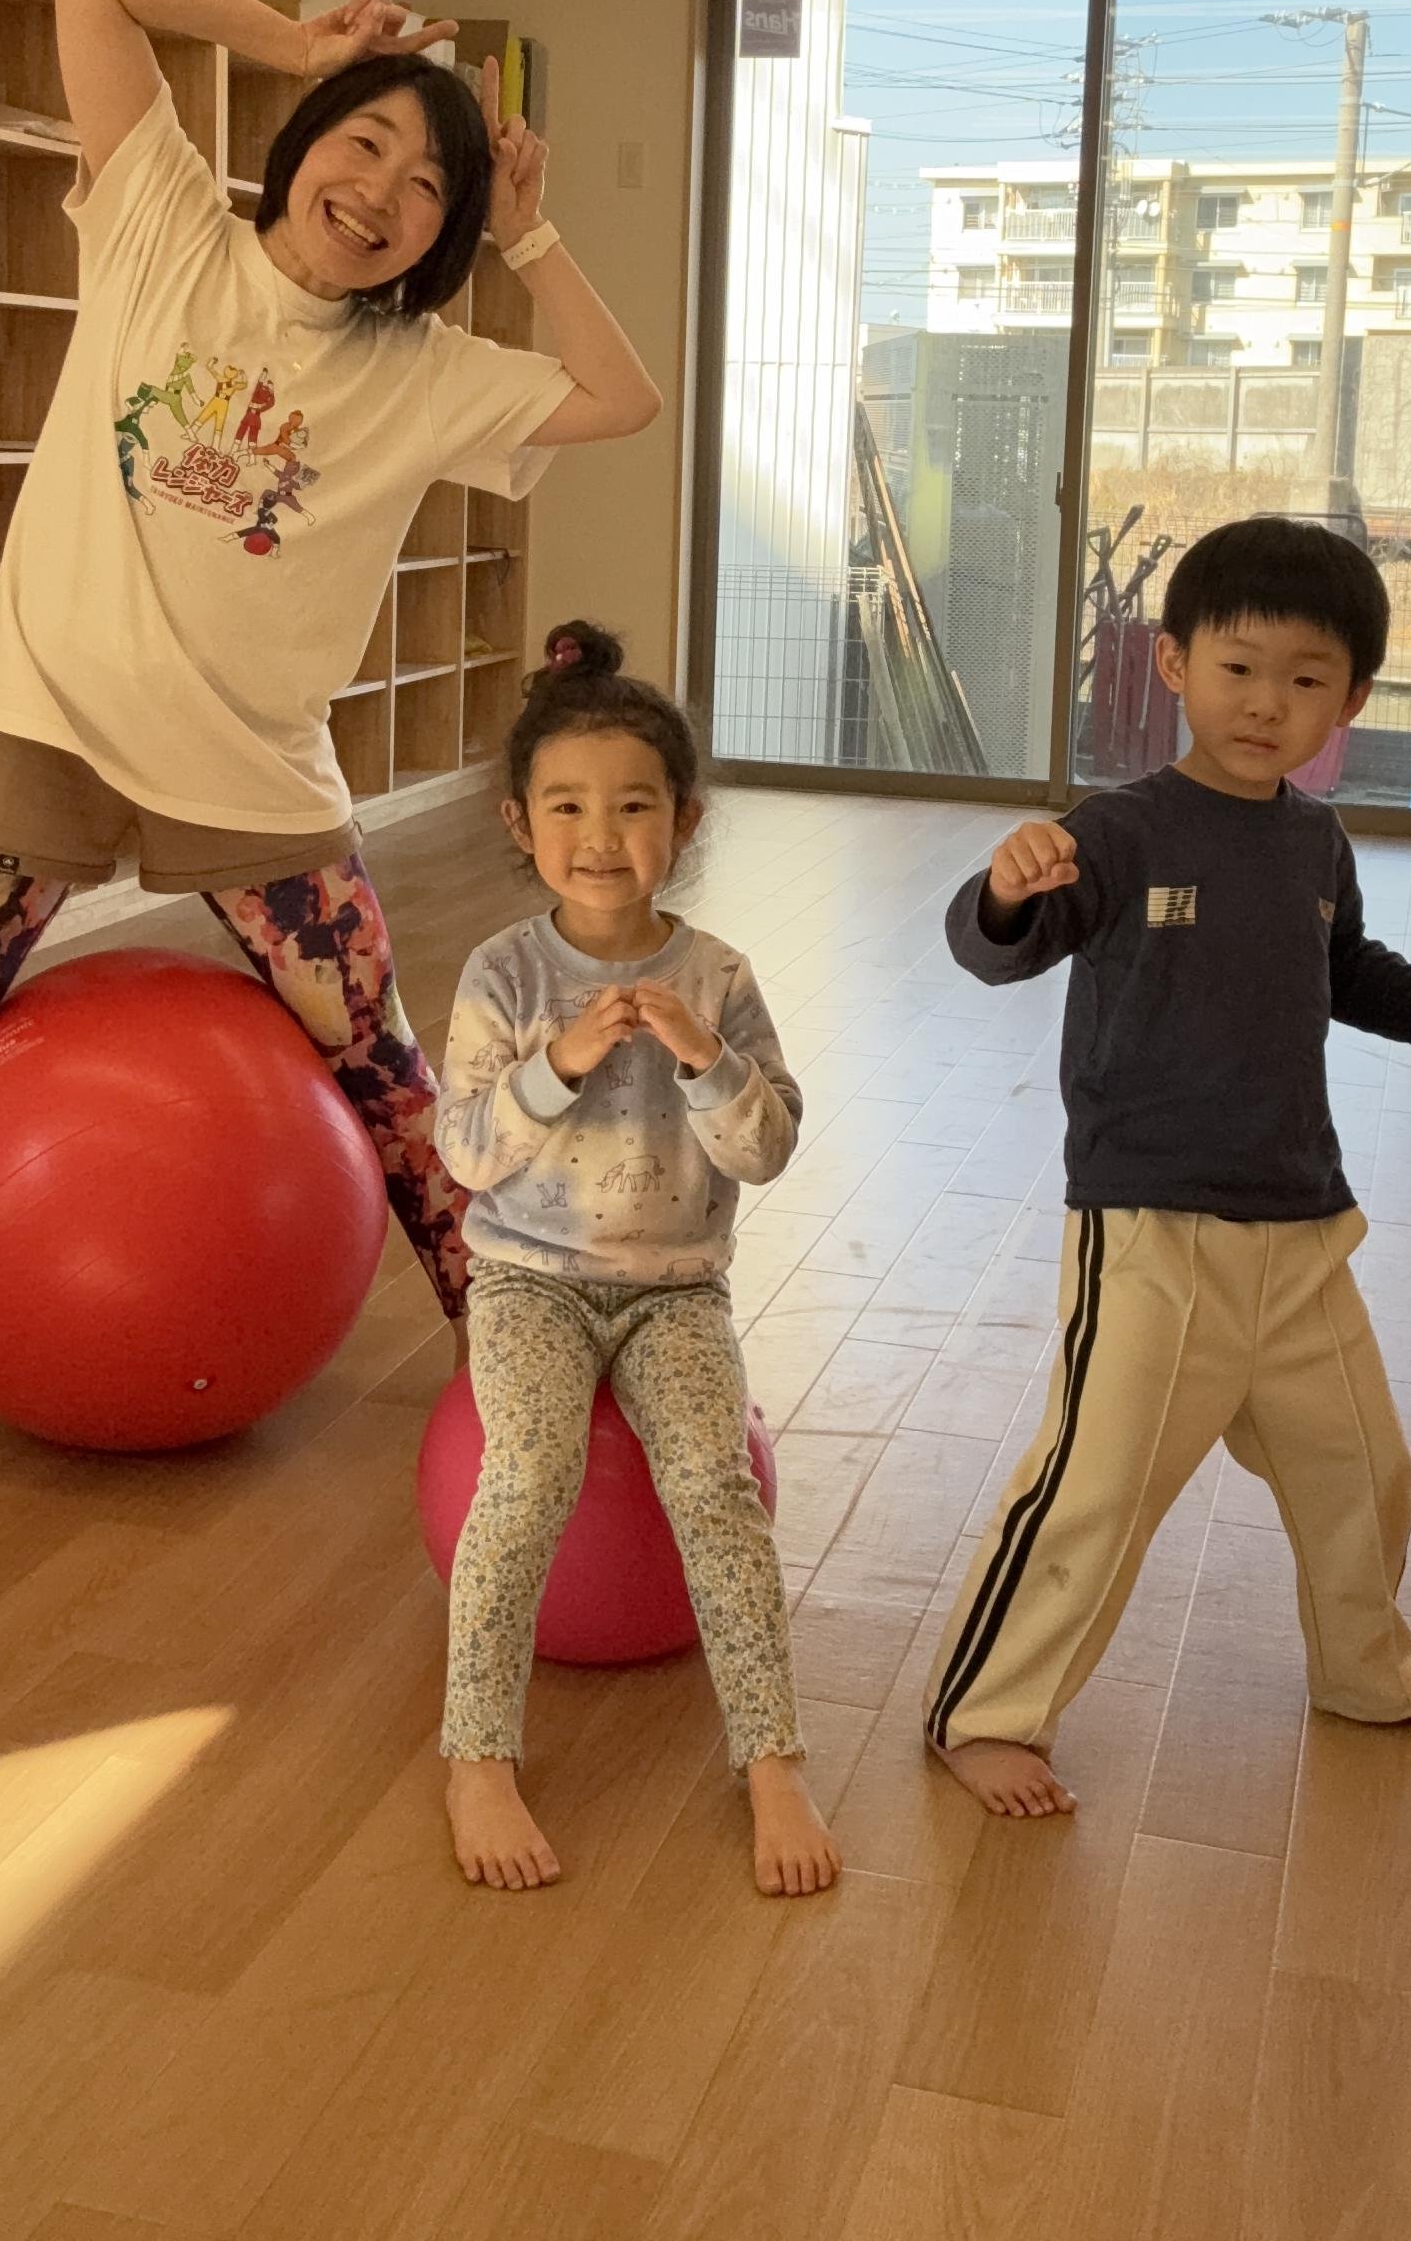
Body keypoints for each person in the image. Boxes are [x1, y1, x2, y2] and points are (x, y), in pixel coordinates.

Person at [0, 0, 660, 1510]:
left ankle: (512, 1376)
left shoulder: (426, 370)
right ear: (305, 143)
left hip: (250, 775)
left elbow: (624, 397)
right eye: (363, 144)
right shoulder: (162, 224)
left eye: (428, 188)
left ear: (446, 233)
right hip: (38, 725)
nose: (380, 193)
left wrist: (534, 236)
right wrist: (300, 41)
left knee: (392, 1085)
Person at [924, 516, 1411, 1815]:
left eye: (1306, 680)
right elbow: (997, 946)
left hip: (1302, 1229)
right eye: (1239, 668)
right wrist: (1008, 890)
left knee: (1368, 1473)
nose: (1267, 704)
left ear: (1351, 702)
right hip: (1153, 1232)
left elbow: (1343, 970)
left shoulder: (1317, 843)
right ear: (1175, 664)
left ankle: (1368, 1671)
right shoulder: (1122, 829)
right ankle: (989, 1713)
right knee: (1097, 1485)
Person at [432, 622, 838, 1899]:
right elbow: (465, 1152)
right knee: (528, 1473)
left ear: (685, 820)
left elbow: (768, 1146)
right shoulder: (503, 973)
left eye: (633, 805)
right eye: (566, 804)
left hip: (677, 1292)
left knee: (716, 1483)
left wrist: (704, 1058)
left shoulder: (717, 975)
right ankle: (477, 1754)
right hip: (529, 1281)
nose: (600, 834)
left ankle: (772, 1757)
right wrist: (556, 1065)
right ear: (520, 821)